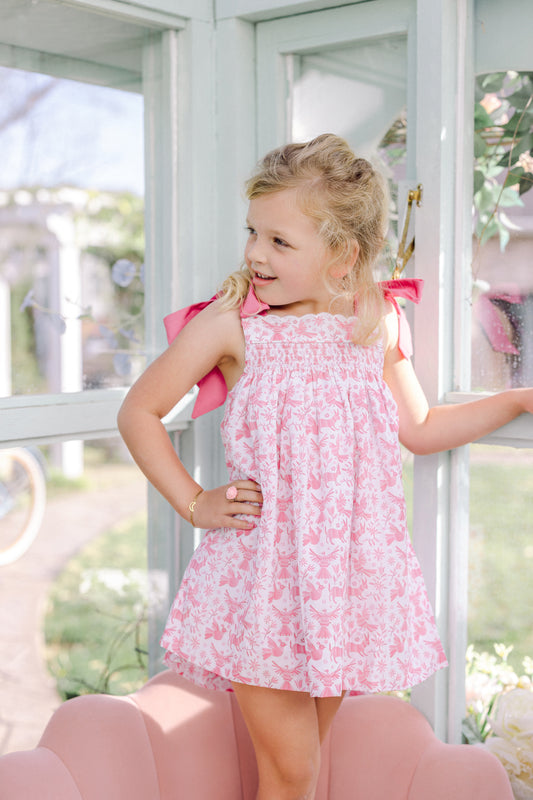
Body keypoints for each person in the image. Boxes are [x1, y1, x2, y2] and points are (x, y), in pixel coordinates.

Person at [118, 133, 532, 800]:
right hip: (265, 585)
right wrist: (194, 502)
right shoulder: (233, 327)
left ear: (342, 254)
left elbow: (421, 430)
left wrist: (512, 398)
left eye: (280, 242)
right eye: (254, 232)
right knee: (291, 773)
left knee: (302, 772)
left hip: (340, 586)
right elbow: (139, 412)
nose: (254, 252)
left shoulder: (375, 320)